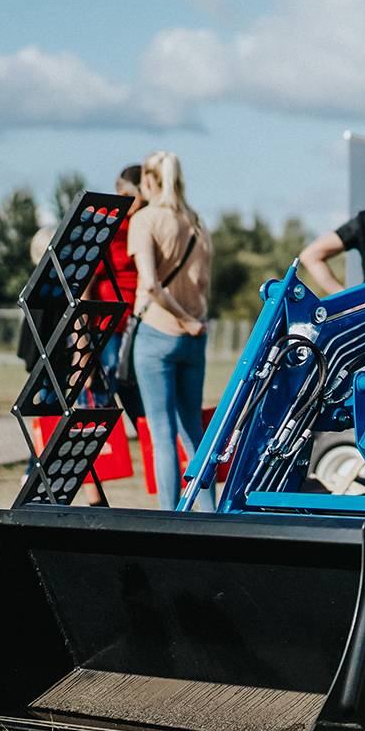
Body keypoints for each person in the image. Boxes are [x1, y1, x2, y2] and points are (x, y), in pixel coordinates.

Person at [129, 151, 215, 511]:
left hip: (157, 333)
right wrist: (194, 321)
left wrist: (181, 318)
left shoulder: (146, 219)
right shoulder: (195, 220)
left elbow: (149, 284)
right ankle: (212, 516)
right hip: (195, 340)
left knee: (161, 434)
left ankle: (170, 518)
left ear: (149, 181)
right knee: (193, 430)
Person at [89, 165, 146, 424]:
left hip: (137, 325)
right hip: (108, 327)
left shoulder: (143, 221)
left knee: (139, 399)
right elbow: (88, 279)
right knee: (102, 400)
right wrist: (85, 338)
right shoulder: (106, 220)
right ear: (126, 194)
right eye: (144, 197)